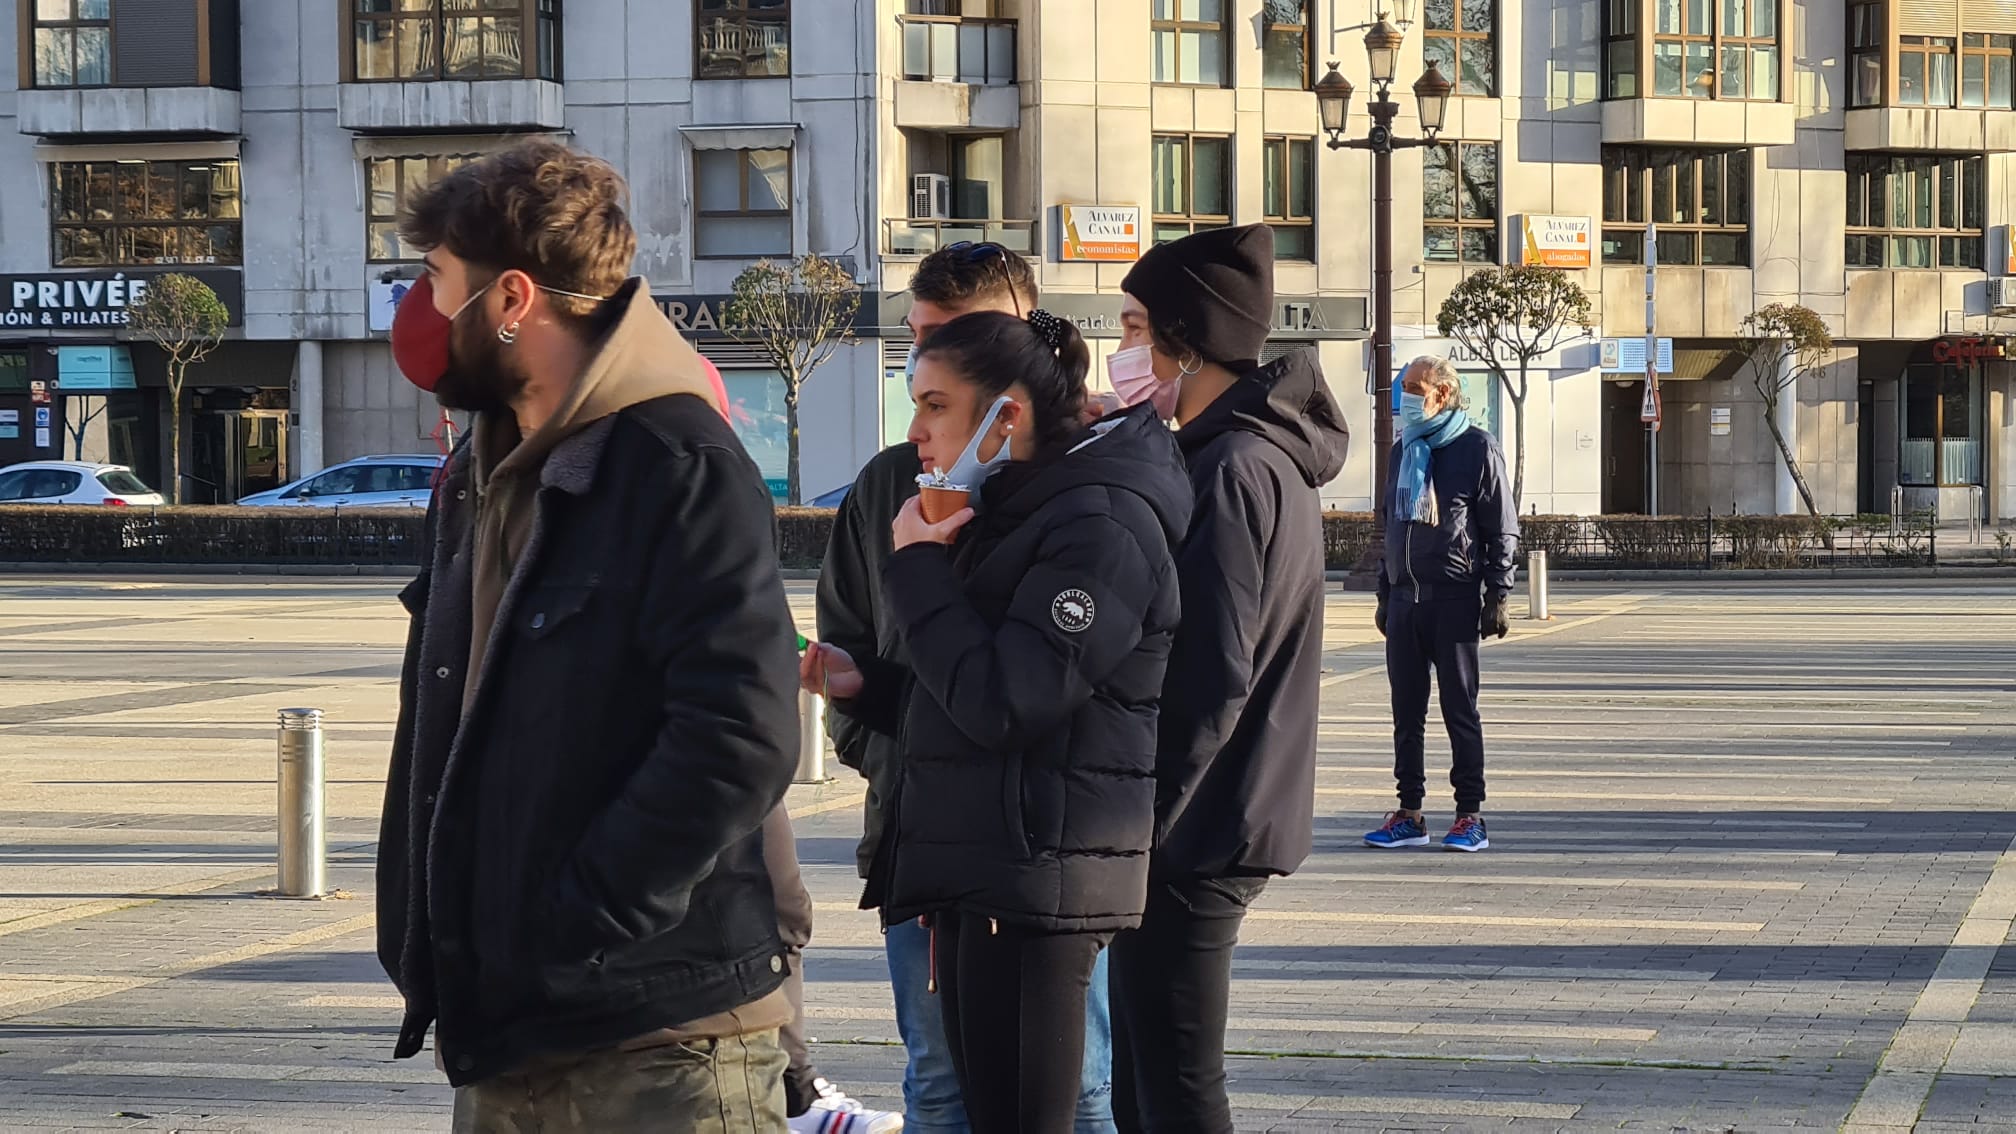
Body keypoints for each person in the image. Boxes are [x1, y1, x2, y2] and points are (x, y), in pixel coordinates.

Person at [374, 139, 800, 1130]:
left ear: (511, 298)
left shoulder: (677, 463)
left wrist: (582, 917)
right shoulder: (484, 471)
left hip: (659, 1052)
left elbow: (741, 736)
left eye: (438, 282)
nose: (423, 312)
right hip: (509, 1034)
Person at [806, 310, 1189, 1133]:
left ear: (1006, 414)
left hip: (1037, 874)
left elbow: (1009, 700)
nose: (915, 432)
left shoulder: (1100, 523)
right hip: (986, 870)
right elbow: (964, 686)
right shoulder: (1015, 507)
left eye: (935, 406)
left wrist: (913, 569)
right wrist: (867, 687)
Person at [1105, 223, 1350, 1133]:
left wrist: (1139, 821)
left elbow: (1211, 671)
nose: (1122, 352)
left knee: (1173, 1086)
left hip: (1199, 824)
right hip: (1206, 816)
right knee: (1149, 1079)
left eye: (1134, 331)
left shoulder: (1235, 466)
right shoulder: (1230, 451)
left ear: (1186, 341)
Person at [1365, 355, 1518, 853]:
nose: (1404, 396)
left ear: (1443, 394)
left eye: (1414, 387)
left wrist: (1498, 591)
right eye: (1403, 386)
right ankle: (1409, 812)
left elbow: (1501, 527)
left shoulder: (1476, 448)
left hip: (1453, 600)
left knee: (1459, 710)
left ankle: (1469, 815)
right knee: (1405, 713)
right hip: (1406, 600)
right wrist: (1386, 593)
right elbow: (1391, 523)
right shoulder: (1401, 450)